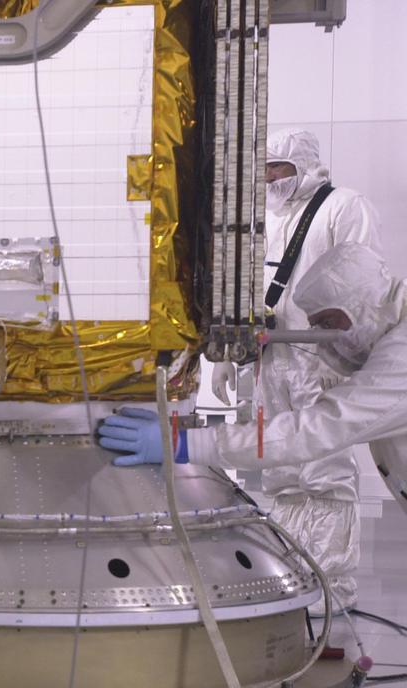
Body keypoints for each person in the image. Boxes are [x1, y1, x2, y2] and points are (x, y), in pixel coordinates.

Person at [99, 245, 407, 608]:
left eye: (328, 323)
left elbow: (314, 430)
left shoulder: (398, 360)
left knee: (321, 472)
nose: (323, 337)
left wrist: (186, 445)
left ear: (361, 302)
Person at [205, 129, 382, 611]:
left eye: (278, 169)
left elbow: (363, 280)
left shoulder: (344, 207)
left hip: (318, 359)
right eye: (263, 171)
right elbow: (245, 287)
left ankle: (331, 599)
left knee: (324, 476)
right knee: (280, 475)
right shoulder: (266, 218)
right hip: (269, 361)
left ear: (303, 165)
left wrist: (345, 347)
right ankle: (291, 590)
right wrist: (224, 353)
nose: (269, 179)